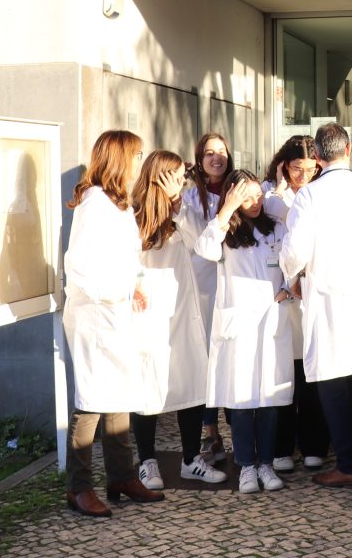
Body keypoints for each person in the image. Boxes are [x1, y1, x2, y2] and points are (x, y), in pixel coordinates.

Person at [61, 130, 164, 517]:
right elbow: (79, 266)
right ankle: (78, 487)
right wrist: (117, 291)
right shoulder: (94, 204)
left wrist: (135, 283)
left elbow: (126, 255)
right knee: (91, 400)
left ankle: (121, 476)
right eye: (135, 155)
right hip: (94, 314)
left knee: (119, 393)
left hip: (116, 311)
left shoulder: (117, 204)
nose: (139, 162)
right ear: (119, 158)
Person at [279, 123, 352, 488]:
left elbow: (295, 250)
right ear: (349, 149)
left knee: (331, 380)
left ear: (318, 156)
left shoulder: (310, 194)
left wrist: (290, 273)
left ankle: (350, 464)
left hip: (328, 295)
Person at [129, 150, 226, 491]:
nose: (182, 181)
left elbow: (204, 245)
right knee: (148, 385)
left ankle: (190, 459)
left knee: (192, 381)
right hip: (148, 312)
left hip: (183, 308)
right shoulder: (133, 214)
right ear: (159, 177)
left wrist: (178, 206)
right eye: (176, 175)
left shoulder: (182, 212)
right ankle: (147, 461)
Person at [196, 170, 293, 493]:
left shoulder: (275, 226)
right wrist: (226, 211)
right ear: (232, 197)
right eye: (246, 197)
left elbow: (292, 264)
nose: (254, 202)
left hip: (271, 320)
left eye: (257, 195)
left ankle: (266, 463)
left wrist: (288, 289)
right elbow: (204, 249)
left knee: (269, 397)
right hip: (238, 325)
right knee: (240, 399)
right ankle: (247, 466)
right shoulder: (224, 231)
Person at [261, 135, 330, 471]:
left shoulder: (321, 191)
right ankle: (281, 446)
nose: (303, 175)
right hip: (278, 296)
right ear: (282, 166)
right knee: (282, 374)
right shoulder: (267, 194)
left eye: (310, 168)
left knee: (311, 373)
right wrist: (276, 195)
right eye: (296, 168)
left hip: (309, 295)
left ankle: (315, 443)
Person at [181, 132, 233, 466]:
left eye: (221, 152)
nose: (216, 158)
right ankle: (210, 432)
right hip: (202, 287)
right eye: (209, 153)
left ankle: (240, 432)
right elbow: (196, 242)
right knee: (207, 360)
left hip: (235, 286)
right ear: (200, 160)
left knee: (232, 358)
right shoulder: (189, 198)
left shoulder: (239, 189)